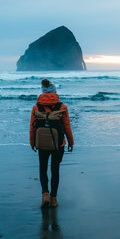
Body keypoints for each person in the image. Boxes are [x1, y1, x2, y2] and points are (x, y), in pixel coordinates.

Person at [29, 79, 74, 208]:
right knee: (55, 170)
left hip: (42, 143)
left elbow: (32, 127)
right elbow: (67, 127)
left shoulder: (36, 107)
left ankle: (45, 195)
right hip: (58, 144)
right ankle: (54, 198)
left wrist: (32, 142)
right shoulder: (62, 106)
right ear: (55, 92)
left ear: (43, 92)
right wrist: (71, 142)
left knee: (43, 169)